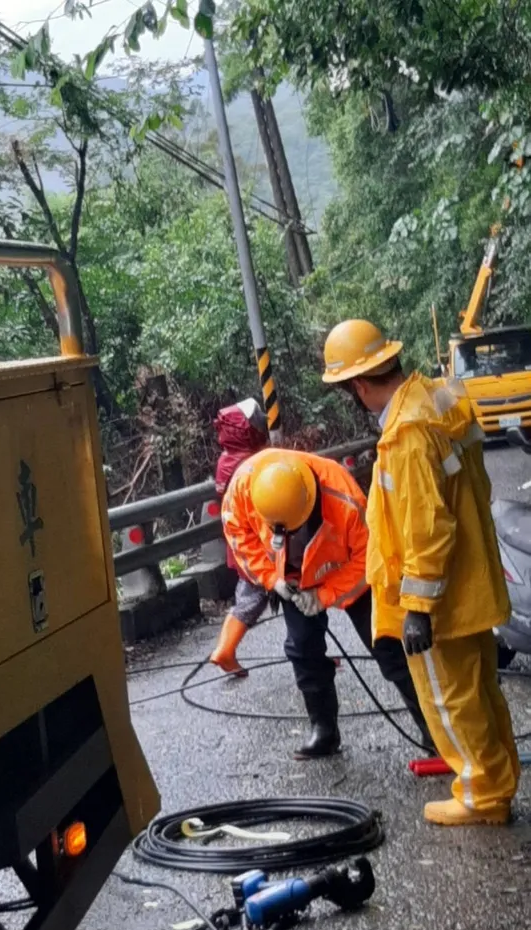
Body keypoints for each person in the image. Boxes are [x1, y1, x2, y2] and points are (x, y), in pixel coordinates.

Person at [322, 318, 520, 825]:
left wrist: (418, 608)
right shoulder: (438, 399)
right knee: (480, 693)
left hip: (443, 601)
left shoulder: (406, 432)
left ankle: (481, 797)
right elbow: (468, 491)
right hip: (471, 582)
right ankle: (497, 780)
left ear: (360, 385)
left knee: (451, 700)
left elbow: (426, 528)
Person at [221, 447, 431, 759]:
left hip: (343, 567)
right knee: (302, 648)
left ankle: (432, 731)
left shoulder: (343, 496)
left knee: (387, 643)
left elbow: (369, 558)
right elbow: (239, 538)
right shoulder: (242, 488)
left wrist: (325, 595)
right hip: (291, 576)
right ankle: (324, 731)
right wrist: (272, 580)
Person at [209, 398, 269, 677]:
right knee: (253, 597)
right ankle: (225, 650)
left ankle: (314, 655)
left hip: (240, 541)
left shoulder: (227, 458)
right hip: (257, 542)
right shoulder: (249, 460)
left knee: (254, 595)